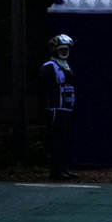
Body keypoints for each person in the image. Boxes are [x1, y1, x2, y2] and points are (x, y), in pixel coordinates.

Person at [39, 34, 78, 180]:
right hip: (56, 109)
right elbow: (46, 88)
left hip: (67, 109)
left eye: (66, 50)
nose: (64, 52)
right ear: (55, 51)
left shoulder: (66, 66)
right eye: (61, 50)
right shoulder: (49, 67)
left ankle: (62, 168)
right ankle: (55, 171)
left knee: (64, 140)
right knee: (56, 141)